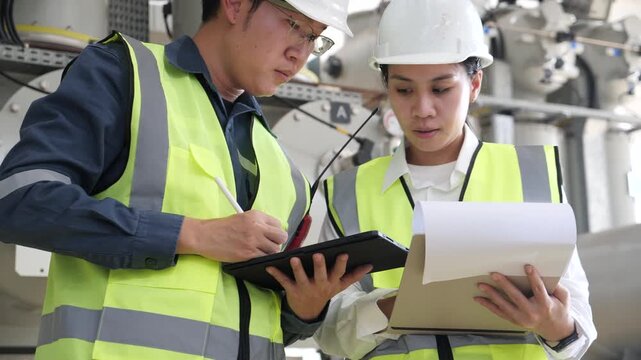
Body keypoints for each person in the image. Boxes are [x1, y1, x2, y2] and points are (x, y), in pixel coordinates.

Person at [0, 0, 372, 358]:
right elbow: (19, 200)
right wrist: (193, 235)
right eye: (294, 25)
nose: (301, 53)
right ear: (235, 4)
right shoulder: (124, 75)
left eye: (315, 38)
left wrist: (303, 308)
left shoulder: (283, 169)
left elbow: (254, 325)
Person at [314, 0, 597, 359]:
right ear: (386, 87)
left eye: (441, 89)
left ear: (475, 84)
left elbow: (579, 325)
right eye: (404, 90)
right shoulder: (349, 193)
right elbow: (329, 337)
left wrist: (554, 325)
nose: (423, 109)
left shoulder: (530, 177)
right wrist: (396, 307)